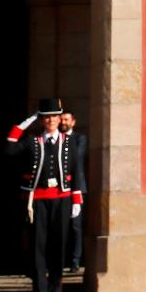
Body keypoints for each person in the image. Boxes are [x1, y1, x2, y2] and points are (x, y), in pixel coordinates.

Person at [6, 99, 84, 292]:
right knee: (38, 249)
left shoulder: (69, 142)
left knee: (58, 248)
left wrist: (77, 200)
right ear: (41, 120)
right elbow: (9, 148)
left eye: (54, 116)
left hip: (62, 199)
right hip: (37, 201)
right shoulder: (33, 140)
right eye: (46, 116)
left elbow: (77, 171)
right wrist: (24, 123)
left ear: (60, 119)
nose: (50, 120)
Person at [58, 111, 88, 271]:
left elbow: (78, 157)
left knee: (76, 226)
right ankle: (61, 259)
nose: (63, 122)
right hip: (58, 188)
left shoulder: (79, 139)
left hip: (77, 188)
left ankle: (76, 260)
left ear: (73, 122)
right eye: (61, 119)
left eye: (66, 119)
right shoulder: (55, 139)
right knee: (60, 226)